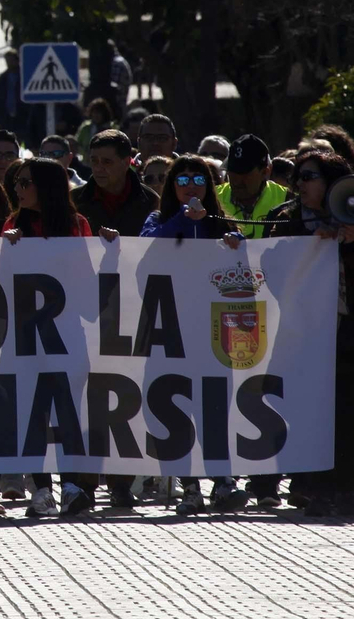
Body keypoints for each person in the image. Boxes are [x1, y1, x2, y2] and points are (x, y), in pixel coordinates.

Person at [264, 148, 354, 518]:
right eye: (298, 177)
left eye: (309, 177)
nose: (300, 184)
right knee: (307, 412)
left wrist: (352, 243)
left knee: (346, 412)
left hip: (346, 328)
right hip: (300, 332)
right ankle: (313, 488)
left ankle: (345, 490)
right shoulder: (285, 218)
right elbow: (268, 265)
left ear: (332, 182)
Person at [0, 160, 117, 517]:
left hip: (66, 333)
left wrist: (109, 250)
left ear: (47, 186)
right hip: (25, 335)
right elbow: (1, 282)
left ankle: (70, 485)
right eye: (17, 182)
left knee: (67, 409)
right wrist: (4, 248)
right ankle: (41, 489)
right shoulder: (12, 225)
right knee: (32, 411)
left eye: (26, 182)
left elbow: (86, 280)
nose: (18, 189)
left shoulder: (76, 225)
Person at [136, 155, 249, 515]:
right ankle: (189, 487)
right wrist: (184, 219)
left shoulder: (221, 223)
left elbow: (243, 274)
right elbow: (149, 248)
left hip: (212, 331)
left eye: (197, 180)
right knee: (175, 409)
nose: (190, 187)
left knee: (213, 408)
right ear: (172, 187)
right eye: (182, 181)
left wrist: (236, 243)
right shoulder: (158, 220)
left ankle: (223, 480)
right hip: (170, 330)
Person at [72, 129, 160, 237]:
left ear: (126, 163)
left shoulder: (151, 201)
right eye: (94, 161)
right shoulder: (73, 200)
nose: (98, 168)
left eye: (107, 162)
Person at [218, 134, 288, 237]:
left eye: (243, 173)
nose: (236, 180)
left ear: (265, 172)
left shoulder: (288, 200)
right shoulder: (213, 197)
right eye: (232, 172)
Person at [0, 51, 25, 138]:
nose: (9, 63)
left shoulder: (24, 76)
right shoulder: (3, 77)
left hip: (22, 116)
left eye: (11, 60)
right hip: (6, 116)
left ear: (17, 61)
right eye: (7, 61)